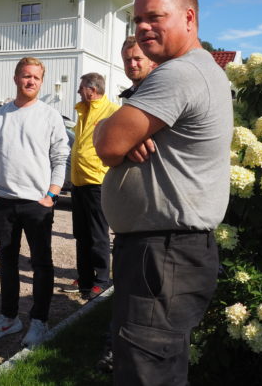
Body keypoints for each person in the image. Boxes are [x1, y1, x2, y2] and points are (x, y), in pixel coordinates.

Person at [94, 0, 233, 385]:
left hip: (163, 253)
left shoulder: (179, 74)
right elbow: (118, 138)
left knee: (146, 373)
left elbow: (106, 143)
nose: (143, 28)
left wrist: (121, 135)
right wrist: (127, 134)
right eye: (138, 20)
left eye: (154, 17)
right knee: (157, 368)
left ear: (189, 18)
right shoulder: (194, 71)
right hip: (165, 252)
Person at [0, 57, 70, 347]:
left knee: (41, 264)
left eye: (36, 77)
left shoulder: (49, 116)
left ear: (41, 82)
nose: (30, 81)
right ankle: (9, 317)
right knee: (7, 262)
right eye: (25, 75)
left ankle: (39, 321)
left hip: (36, 204)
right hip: (4, 202)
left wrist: (51, 195)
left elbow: (60, 158)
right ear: (15, 78)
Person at [95, 37, 156, 374]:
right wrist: (118, 136)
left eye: (138, 58)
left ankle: (131, 356)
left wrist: (121, 138)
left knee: (143, 297)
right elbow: (101, 137)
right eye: (127, 59)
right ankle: (115, 349)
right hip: (130, 220)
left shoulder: (159, 94)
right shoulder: (128, 99)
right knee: (125, 291)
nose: (132, 64)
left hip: (154, 218)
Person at [66, 73, 119, 299]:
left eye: (81, 88)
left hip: (97, 182)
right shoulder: (83, 110)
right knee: (81, 234)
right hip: (79, 182)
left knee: (98, 234)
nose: (78, 91)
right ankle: (85, 278)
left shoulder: (112, 111)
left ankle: (102, 279)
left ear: (92, 89)